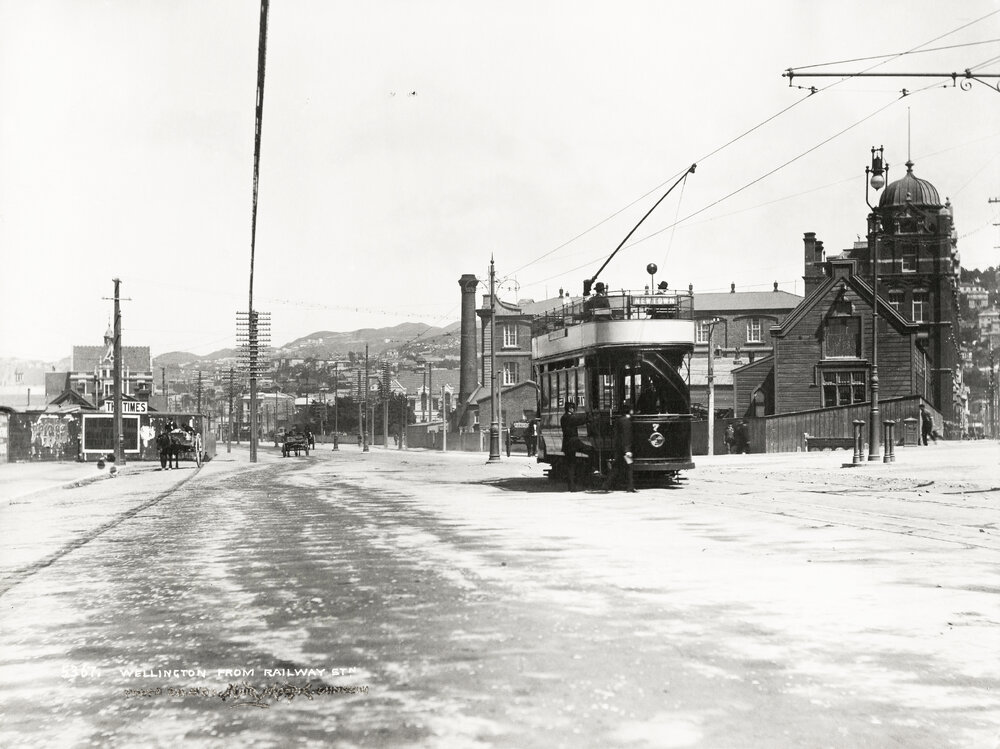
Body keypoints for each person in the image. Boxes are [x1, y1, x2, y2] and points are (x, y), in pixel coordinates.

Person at [603, 402, 636, 492]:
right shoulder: (626, 421)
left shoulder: (619, 420)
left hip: (619, 448)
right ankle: (630, 487)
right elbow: (626, 436)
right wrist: (627, 450)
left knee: (616, 467)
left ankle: (606, 484)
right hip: (625, 449)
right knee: (629, 467)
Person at [560, 401, 592, 491]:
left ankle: (571, 486)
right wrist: (588, 417)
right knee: (591, 451)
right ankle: (584, 477)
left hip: (567, 443)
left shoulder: (563, 417)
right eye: (572, 408)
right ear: (570, 409)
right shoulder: (569, 417)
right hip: (573, 442)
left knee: (570, 465)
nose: (573, 410)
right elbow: (579, 421)